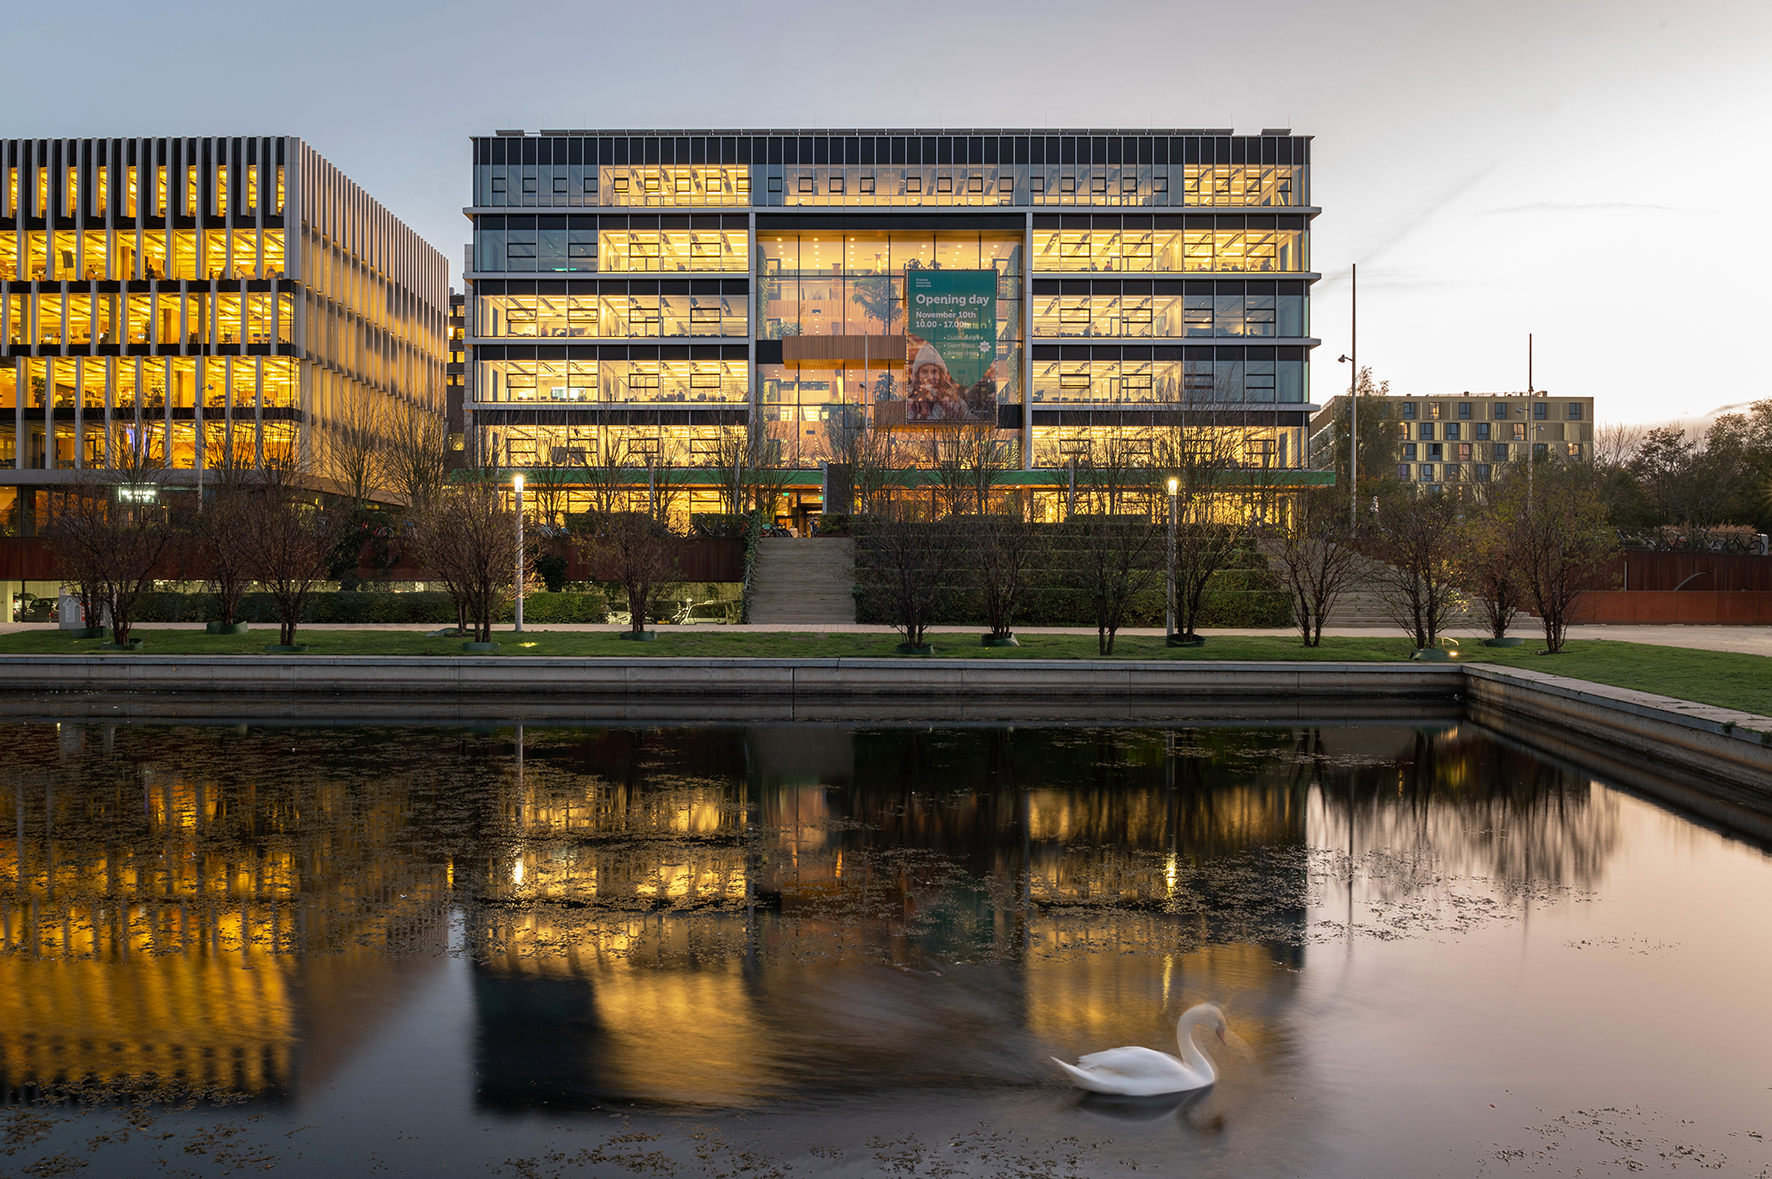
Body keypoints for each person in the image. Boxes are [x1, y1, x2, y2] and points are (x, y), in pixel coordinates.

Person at [905, 340, 999, 423]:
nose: (929, 377)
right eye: (924, 371)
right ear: (917, 375)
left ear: (941, 375)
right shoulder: (908, 402)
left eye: (934, 371)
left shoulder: (954, 402)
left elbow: (973, 424)